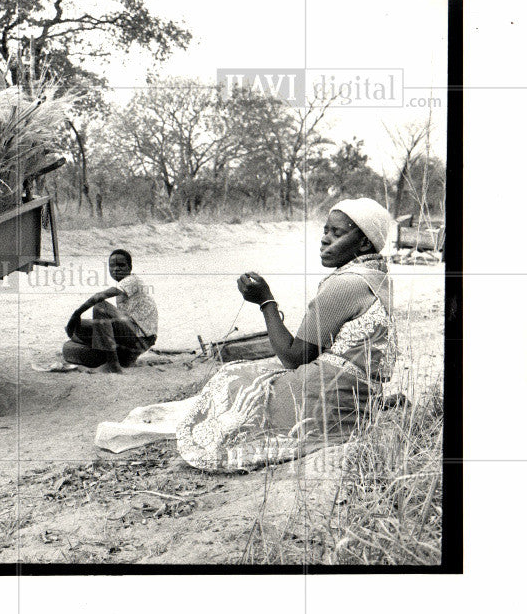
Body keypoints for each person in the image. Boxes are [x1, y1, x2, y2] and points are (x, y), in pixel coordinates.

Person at [174, 198, 396, 472]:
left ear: (363, 244)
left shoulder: (346, 284)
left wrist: (265, 301)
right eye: (325, 231)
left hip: (329, 400)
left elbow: (293, 357)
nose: (325, 240)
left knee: (233, 379)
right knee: (256, 375)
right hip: (359, 400)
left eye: (337, 233)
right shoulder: (378, 277)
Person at [62, 249, 158, 373]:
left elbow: (100, 296)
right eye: (112, 266)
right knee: (77, 327)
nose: (116, 269)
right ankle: (114, 355)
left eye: (121, 265)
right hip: (130, 335)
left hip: (141, 338)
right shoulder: (122, 289)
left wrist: (77, 313)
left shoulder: (132, 281)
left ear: (130, 267)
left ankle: (113, 364)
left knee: (101, 307)